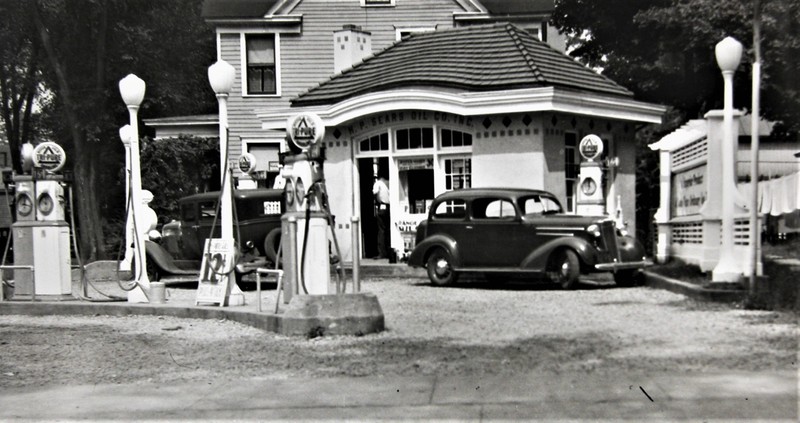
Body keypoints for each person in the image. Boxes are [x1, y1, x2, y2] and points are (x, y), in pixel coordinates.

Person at [372, 175, 390, 259]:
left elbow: (375, 192)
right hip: (389, 208)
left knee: (381, 230)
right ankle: (389, 251)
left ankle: (381, 253)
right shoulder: (389, 182)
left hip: (382, 207)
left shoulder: (378, 183)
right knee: (388, 230)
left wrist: (376, 200)